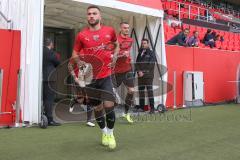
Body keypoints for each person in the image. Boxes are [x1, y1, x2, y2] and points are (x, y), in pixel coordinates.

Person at [68, 5, 119, 150]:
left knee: (109, 106)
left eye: (94, 13)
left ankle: (111, 133)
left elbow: (116, 44)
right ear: (87, 17)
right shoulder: (81, 35)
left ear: (100, 16)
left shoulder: (109, 31)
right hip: (90, 79)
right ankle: (103, 132)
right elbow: (74, 54)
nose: (91, 16)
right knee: (97, 108)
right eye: (89, 14)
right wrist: (79, 62)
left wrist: (115, 55)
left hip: (106, 76)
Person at [112, 22, 134, 123]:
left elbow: (128, 52)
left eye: (128, 28)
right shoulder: (115, 40)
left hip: (127, 69)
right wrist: (122, 54)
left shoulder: (130, 40)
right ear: (120, 28)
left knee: (131, 91)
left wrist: (128, 57)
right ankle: (106, 113)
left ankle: (125, 113)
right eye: (124, 28)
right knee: (110, 93)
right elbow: (112, 55)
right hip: (116, 71)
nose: (126, 30)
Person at [42, 38, 61, 126]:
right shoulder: (51, 52)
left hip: (42, 77)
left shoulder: (40, 51)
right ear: (50, 44)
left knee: (45, 98)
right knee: (49, 99)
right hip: (50, 78)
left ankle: (44, 117)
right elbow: (58, 63)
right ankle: (49, 119)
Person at [135, 39, 156, 114]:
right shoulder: (140, 52)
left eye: (145, 43)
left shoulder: (151, 53)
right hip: (140, 76)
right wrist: (139, 71)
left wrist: (143, 72)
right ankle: (142, 107)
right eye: (142, 43)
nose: (143, 44)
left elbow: (151, 64)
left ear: (148, 44)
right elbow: (136, 63)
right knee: (141, 92)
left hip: (148, 76)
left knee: (149, 92)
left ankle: (152, 108)